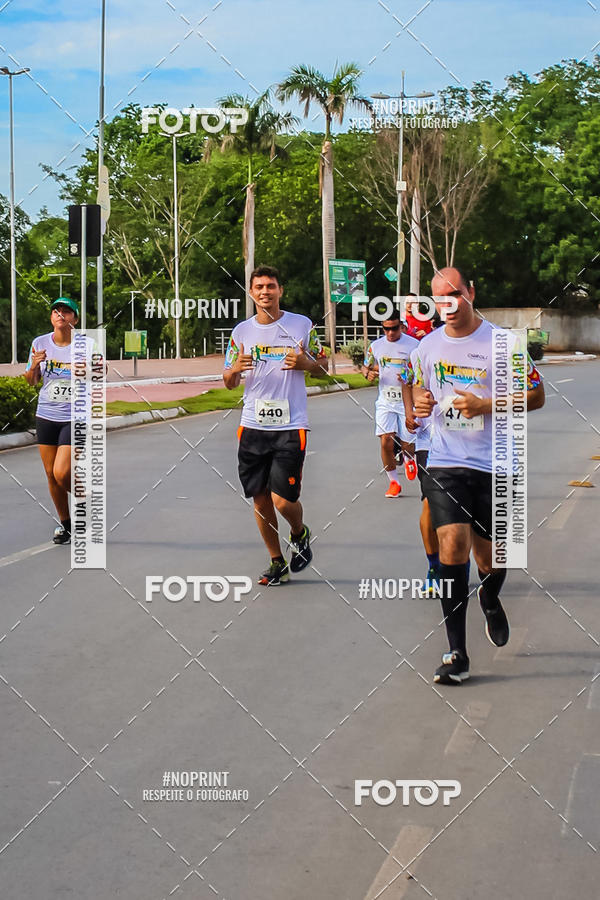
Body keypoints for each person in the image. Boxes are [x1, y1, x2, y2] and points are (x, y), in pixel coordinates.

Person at [409, 267, 545, 684]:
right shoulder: (425, 348)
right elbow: (415, 392)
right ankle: (456, 653)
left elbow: (538, 396)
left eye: (453, 294)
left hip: (497, 462)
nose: (446, 304)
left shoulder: (503, 343)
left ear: (470, 292)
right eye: (438, 298)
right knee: (452, 545)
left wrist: (485, 406)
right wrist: (418, 404)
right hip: (446, 461)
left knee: (492, 558)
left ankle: (489, 596)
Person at [223, 265, 328, 586]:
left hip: (290, 424)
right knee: (259, 497)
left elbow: (324, 367)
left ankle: (299, 532)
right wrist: (235, 370)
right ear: (251, 292)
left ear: (280, 290)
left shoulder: (301, 325)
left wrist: (307, 363)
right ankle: (276, 561)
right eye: (259, 287)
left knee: (283, 499)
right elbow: (228, 382)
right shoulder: (241, 332)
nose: (265, 291)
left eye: (271, 286)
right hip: (252, 425)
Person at [24, 297, 80, 545]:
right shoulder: (40, 343)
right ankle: (66, 524)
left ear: (74, 319)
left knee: (61, 472)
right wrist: (34, 365)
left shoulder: (86, 344)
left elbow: (102, 373)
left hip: (75, 416)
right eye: (56, 311)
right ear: (51, 318)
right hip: (46, 414)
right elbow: (31, 381)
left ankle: (85, 498)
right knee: (50, 474)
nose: (60, 314)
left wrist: (88, 368)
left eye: (66, 311)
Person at [362, 310, 418, 498]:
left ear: (401, 326)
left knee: (406, 444)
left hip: (407, 401)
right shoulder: (376, 346)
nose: (390, 333)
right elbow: (366, 366)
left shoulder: (414, 345)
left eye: (394, 328)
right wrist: (367, 373)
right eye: (386, 329)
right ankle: (394, 482)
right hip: (385, 400)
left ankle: (410, 458)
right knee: (385, 440)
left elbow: (422, 372)